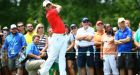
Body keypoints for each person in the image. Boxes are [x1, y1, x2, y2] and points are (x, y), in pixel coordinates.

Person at [38, 0, 68, 75]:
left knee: (62, 57)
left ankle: (63, 73)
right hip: (57, 37)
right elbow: (60, 7)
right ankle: (42, 72)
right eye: (47, 6)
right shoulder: (50, 13)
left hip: (63, 37)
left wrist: (52, 5)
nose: (48, 6)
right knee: (52, 56)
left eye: (49, 5)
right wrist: (53, 4)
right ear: (45, 8)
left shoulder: (52, 11)